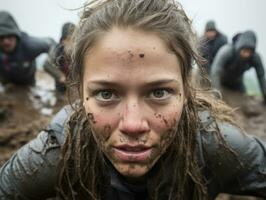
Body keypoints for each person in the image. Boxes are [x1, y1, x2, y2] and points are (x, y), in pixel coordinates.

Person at [0, 1, 266, 200]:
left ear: (186, 92)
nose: (133, 124)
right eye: (106, 94)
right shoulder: (60, 150)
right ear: (80, 94)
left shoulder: (213, 145)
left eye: (159, 92)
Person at [0, 11, 55, 86]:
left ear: (16, 36)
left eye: (9, 36)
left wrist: (52, 65)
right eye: (1, 38)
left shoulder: (29, 45)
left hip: (28, 79)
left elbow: (51, 43)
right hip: (6, 79)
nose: (6, 42)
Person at [211, 30, 266, 104]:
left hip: (237, 83)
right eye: (245, 50)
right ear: (240, 47)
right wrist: (217, 95)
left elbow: (261, 76)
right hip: (221, 81)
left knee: (245, 102)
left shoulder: (255, 57)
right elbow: (215, 72)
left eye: (249, 52)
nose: (246, 54)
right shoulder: (227, 51)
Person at [43, 22, 75, 93]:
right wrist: (60, 76)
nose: (73, 43)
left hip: (75, 84)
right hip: (61, 84)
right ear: (63, 41)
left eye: (75, 39)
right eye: (69, 39)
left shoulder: (80, 50)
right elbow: (46, 64)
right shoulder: (56, 50)